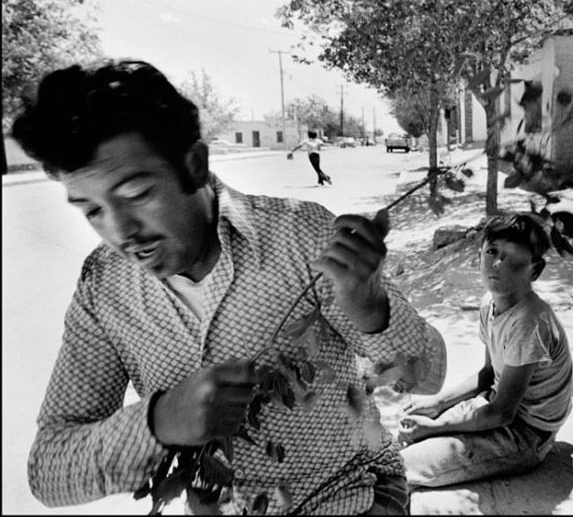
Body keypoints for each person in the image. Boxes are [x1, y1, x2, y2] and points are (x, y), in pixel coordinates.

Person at [12, 59, 447, 515]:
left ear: (195, 165)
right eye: (92, 210)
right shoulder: (103, 287)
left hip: (347, 495)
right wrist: (160, 421)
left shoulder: (302, 238)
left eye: (137, 194)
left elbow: (429, 375)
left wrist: (370, 306)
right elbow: (49, 471)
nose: (121, 231)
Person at [397, 213, 573, 488]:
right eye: (492, 252)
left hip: (527, 433)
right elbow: (489, 374)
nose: (497, 264)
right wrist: (439, 402)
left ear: (535, 270)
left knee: (402, 468)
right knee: (408, 431)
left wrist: (436, 427)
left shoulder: (529, 321)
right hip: (496, 404)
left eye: (512, 257)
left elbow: (503, 413)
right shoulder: (489, 303)